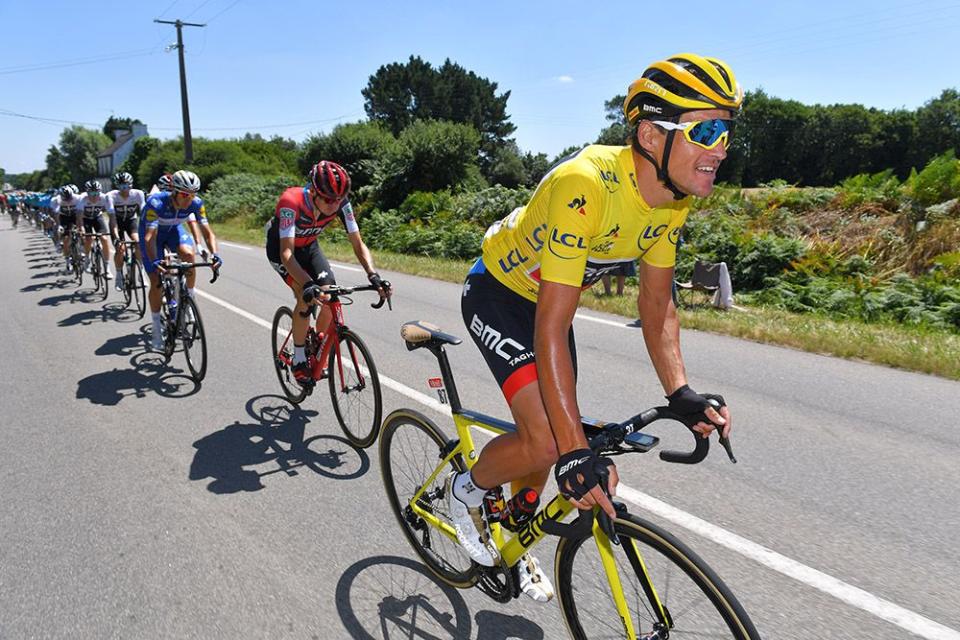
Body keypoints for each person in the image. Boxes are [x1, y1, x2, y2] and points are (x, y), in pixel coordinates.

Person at [450, 53, 740, 601]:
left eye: (726, 131)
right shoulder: (585, 185)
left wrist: (678, 390)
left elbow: (657, 310)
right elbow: (551, 326)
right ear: (652, 136)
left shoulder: (670, 201)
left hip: (546, 309)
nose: (719, 148)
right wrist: (572, 452)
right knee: (549, 443)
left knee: (558, 441)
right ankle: (463, 489)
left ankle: (510, 528)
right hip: (500, 294)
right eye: (705, 129)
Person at [265, 160, 391, 386]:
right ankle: (300, 357)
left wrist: (373, 275)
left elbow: (358, 243)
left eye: (339, 199)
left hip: (310, 246)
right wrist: (306, 285)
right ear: (313, 192)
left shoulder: (342, 203)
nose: (334, 205)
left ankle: (316, 344)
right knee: (305, 297)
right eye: (328, 199)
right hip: (283, 250)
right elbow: (286, 253)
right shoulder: (290, 202)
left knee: (330, 293)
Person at [140, 170, 221, 350]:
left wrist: (215, 254)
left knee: (189, 255)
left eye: (192, 194)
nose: (189, 199)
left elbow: (208, 233)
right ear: (174, 192)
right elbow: (149, 238)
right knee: (155, 280)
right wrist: (155, 262)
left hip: (173, 231)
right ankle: (155, 327)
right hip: (153, 236)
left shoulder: (196, 204)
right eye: (185, 194)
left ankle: (189, 296)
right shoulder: (156, 203)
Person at [107, 172, 146, 291]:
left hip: (131, 221)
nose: (124, 189)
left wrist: (145, 232)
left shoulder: (138, 194)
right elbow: (112, 220)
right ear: (117, 187)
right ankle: (119, 275)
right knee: (120, 248)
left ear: (131, 185)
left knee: (138, 242)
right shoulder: (111, 196)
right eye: (121, 187)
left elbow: (144, 215)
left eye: (126, 186)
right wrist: (117, 238)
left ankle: (141, 273)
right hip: (117, 223)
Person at [76, 180, 114, 279]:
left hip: (98, 217)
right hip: (85, 219)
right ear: (87, 192)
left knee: (105, 239)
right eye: (91, 193)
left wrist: (114, 227)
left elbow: (111, 214)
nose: (94, 196)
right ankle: (87, 259)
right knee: (89, 238)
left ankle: (107, 267)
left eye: (96, 193)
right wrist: (81, 228)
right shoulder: (82, 198)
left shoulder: (104, 197)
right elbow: (79, 216)